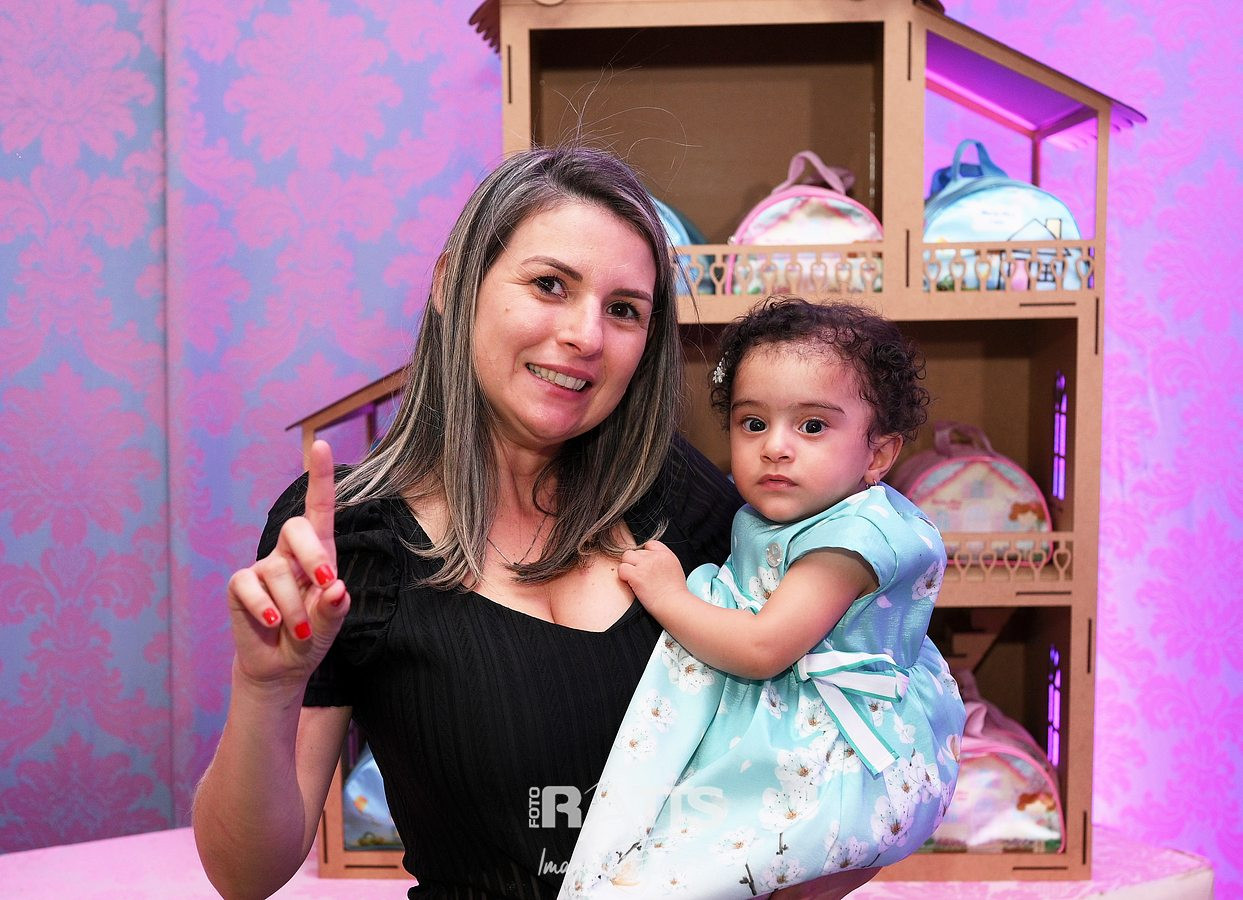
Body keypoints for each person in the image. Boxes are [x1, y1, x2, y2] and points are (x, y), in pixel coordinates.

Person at [191, 144, 758, 900]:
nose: (587, 336)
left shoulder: (679, 499)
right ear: (452, 282)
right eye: (550, 285)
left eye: (624, 310)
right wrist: (265, 686)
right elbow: (245, 875)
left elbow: (841, 731)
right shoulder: (346, 538)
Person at [560, 298, 968, 897]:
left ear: (878, 454)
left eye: (812, 426)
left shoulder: (849, 543)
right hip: (783, 717)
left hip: (829, 753)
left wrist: (671, 595)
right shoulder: (800, 504)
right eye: (753, 423)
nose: (775, 446)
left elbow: (761, 648)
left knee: (706, 867)